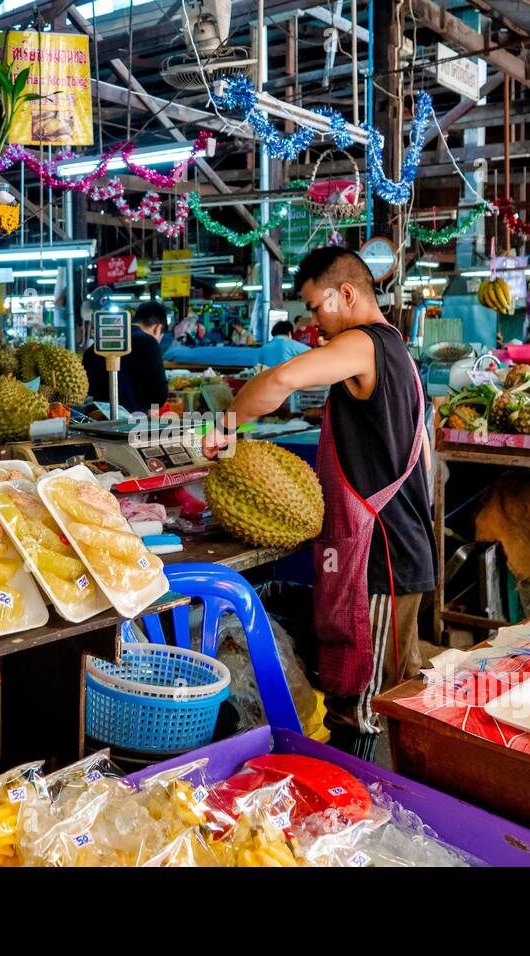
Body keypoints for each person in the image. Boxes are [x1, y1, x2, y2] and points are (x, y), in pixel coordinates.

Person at [202, 246, 435, 760]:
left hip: (381, 557)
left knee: (363, 708)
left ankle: (357, 807)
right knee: (385, 688)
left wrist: (226, 423)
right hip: (389, 550)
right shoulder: (392, 348)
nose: (313, 321)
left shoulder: (364, 343)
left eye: (315, 307)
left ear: (346, 294)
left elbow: (281, 379)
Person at [82, 300, 170, 415]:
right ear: (157, 328)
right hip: (132, 423)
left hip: (94, 419)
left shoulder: (97, 346)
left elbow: (86, 389)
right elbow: (158, 394)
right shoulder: (148, 342)